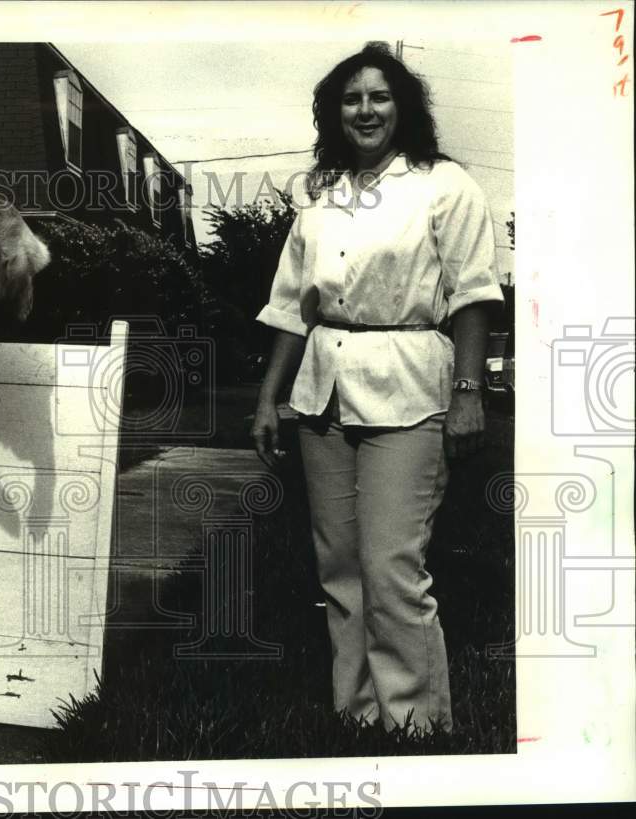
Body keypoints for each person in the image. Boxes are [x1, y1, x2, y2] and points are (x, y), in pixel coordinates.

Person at [252, 42, 504, 734]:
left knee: (392, 565)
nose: (366, 110)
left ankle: (416, 726)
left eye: (380, 96)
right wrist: (269, 398)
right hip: (322, 393)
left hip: (410, 384)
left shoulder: (444, 185)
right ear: (336, 112)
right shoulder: (321, 194)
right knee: (340, 567)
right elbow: (289, 307)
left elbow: (473, 296)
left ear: (404, 107)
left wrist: (469, 391)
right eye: (352, 98)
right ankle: (357, 715)